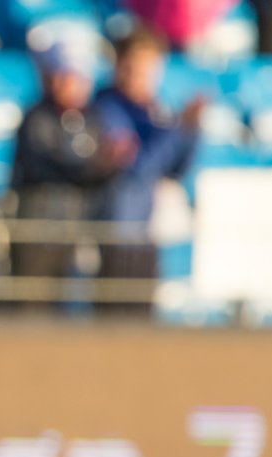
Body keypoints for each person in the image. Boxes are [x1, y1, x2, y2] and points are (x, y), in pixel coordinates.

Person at [10, 40, 134, 291]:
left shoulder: (93, 120)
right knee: (31, 300)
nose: (68, 85)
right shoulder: (37, 118)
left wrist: (112, 164)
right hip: (37, 231)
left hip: (76, 230)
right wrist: (93, 167)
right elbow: (43, 166)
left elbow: (96, 178)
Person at [93, 26, 202, 280]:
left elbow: (176, 169)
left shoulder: (157, 111)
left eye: (148, 70)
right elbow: (137, 166)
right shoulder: (106, 107)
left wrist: (191, 130)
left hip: (146, 231)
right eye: (134, 68)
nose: (141, 78)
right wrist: (176, 130)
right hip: (115, 233)